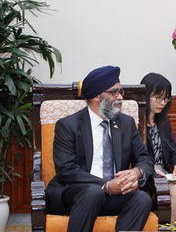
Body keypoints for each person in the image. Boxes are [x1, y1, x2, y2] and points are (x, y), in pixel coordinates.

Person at [45, 65, 154, 232]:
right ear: (96, 96)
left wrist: (137, 172)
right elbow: (66, 170)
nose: (120, 97)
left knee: (142, 198)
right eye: (114, 93)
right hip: (76, 193)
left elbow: (144, 158)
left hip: (114, 195)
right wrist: (107, 185)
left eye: (120, 92)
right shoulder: (68, 125)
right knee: (93, 193)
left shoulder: (125, 123)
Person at [140, 73, 176, 224]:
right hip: (147, 176)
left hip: (164, 174)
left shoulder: (163, 122)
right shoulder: (135, 123)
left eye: (166, 98)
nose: (162, 102)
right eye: (158, 98)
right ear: (145, 95)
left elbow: (173, 151)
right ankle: (168, 228)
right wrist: (150, 169)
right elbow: (134, 156)